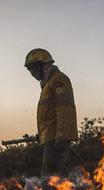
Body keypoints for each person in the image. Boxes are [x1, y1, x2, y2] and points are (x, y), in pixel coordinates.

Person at [24, 48, 78, 177]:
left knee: (49, 179)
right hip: (51, 137)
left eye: (32, 68)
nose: (32, 73)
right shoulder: (46, 84)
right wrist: (41, 134)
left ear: (42, 64)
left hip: (57, 137)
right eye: (29, 70)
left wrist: (61, 136)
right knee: (60, 179)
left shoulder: (58, 80)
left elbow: (65, 109)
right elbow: (50, 114)